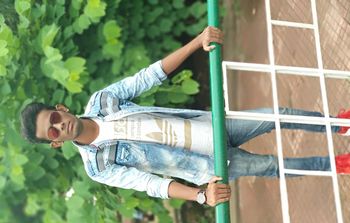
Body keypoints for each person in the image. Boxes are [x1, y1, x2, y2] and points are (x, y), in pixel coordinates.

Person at [20, 27, 350, 207]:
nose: (58, 127)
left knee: (280, 115)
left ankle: (340, 124)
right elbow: (150, 184)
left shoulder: (102, 101)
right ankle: (339, 164)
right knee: (276, 167)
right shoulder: (99, 166)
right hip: (213, 165)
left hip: (213, 124)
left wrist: (197, 41)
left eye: (53, 118)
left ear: (60, 109)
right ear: (54, 143)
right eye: (52, 132)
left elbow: (146, 77)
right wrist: (200, 195)